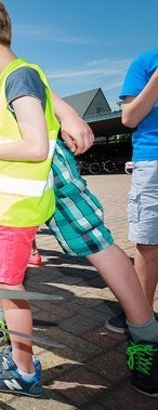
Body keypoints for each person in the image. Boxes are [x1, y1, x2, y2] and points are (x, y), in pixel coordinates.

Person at [0, 0, 158, 397]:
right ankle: (12, 331)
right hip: (0, 190)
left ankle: (147, 337)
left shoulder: (10, 72)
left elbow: (31, 87)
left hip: (41, 171)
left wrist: (69, 114)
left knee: (95, 241)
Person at [116, 48, 158, 396]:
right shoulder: (145, 61)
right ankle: (142, 325)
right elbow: (129, 117)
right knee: (148, 245)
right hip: (153, 159)